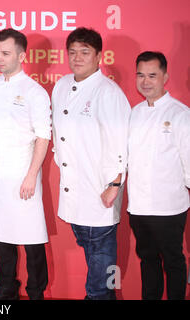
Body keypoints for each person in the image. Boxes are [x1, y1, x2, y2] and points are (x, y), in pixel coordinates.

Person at [51, 27, 131, 300]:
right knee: (91, 252)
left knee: (102, 259)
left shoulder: (109, 92)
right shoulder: (61, 85)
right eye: (72, 52)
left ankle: (100, 297)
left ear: (99, 56)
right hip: (74, 188)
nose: (77, 58)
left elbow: (121, 143)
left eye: (85, 52)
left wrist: (115, 184)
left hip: (101, 190)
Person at [0, 28, 51, 300]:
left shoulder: (35, 91)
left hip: (24, 173)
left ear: (22, 55)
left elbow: (43, 137)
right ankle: (7, 285)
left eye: (6, 53)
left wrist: (31, 175)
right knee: (1, 233)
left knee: (32, 237)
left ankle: (36, 291)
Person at [128, 51, 189, 300]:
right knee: (147, 260)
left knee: (173, 261)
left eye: (152, 75)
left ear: (165, 76)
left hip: (169, 207)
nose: (146, 81)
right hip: (139, 207)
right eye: (141, 75)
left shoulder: (181, 114)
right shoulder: (134, 112)